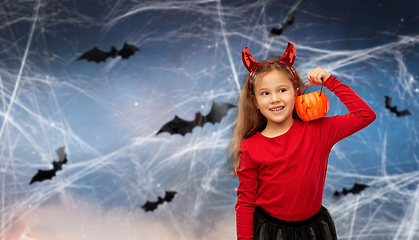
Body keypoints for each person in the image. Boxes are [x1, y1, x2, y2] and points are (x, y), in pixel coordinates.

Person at [232, 42, 376, 240]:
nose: (275, 99)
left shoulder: (318, 130)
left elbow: (365, 115)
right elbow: (246, 202)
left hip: (314, 231)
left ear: (296, 92)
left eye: (282, 90)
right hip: (270, 232)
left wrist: (331, 82)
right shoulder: (251, 147)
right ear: (256, 102)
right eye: (265, 93)